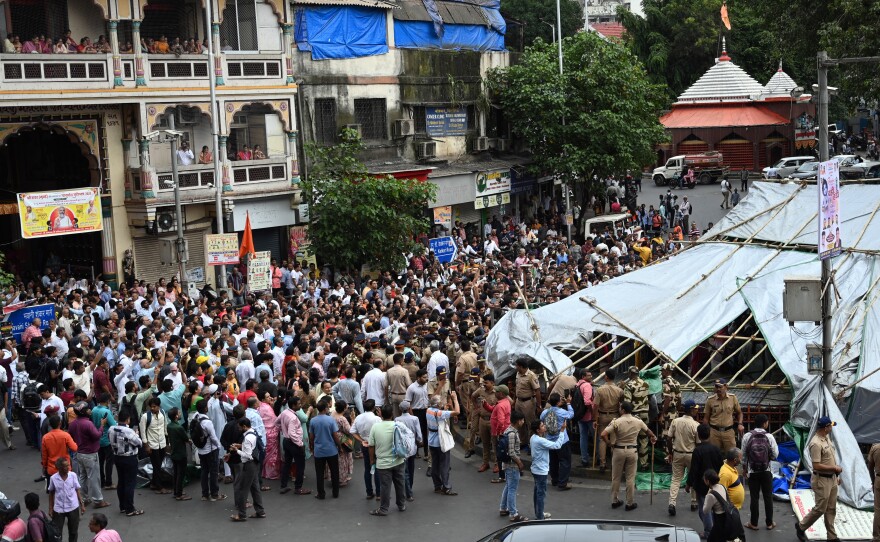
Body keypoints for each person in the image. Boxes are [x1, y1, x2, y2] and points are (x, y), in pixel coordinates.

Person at [601, 401, 657, 511]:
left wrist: (609, 443)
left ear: (623, 410)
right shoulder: (638, 421)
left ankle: (615, 500)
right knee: (630, 478)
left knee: (616, 477)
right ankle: (629, 502)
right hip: (632, 450)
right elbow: (649, 432)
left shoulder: (616, 422)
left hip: (618, 450)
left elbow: (603, 434)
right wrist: (653, 438)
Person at [795, 416, 841, 542]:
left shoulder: (826, 438)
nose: (832, 428)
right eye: (830, 426)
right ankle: (801, 526)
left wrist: (836, 475)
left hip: (831, 479)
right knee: (820, 508)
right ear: (825, 428)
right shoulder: (815, 443)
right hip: (822, 480)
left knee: (831, 508)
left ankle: (832, 536)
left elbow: (831, 458)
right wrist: (834, 468)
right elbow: (816, 465)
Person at [68, 402, 109, 508]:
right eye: (88, 409)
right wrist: (101, 426)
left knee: (83, 477)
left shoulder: (73, 424)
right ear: (83, 411)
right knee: (94, 478)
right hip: (90, 454)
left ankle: (84, 498)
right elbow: (97, 436)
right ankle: (98, 500)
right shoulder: (88, 424)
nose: (90, 410)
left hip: (79, 453)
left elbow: (71, 436)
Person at [368, 404, 406, 516]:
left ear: (380, 414)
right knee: (400, 484)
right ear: (392, 414)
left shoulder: (375, 427)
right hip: (398, 460)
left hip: (383, 463)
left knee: (385, 487)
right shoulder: (397, 425)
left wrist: (372, 460)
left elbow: (371, 446)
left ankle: (384, 509)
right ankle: (401, 505)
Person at [687, 424, 724, 539]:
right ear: (710, 434)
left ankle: (709, 532)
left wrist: (688, 484)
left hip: (701, 485)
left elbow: (694, 470)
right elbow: (721, 466)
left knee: (704, 509)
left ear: (698, 435)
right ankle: (715, 529)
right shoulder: (716, 449)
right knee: (715, 508)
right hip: (714, 483)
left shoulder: (697, 451)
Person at [742, 414, 778, 530]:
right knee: (768, 497)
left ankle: (754, 523)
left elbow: (743, 455)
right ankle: (769, 523)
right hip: (766, 470)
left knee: (754, 497)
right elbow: (775, 455)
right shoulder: (769, 437)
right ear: (764, 423)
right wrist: (768, 458)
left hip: (752, 471)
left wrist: (745, 469)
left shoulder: (747, 436)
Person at [665, 399, 699, 516]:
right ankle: (694, 502)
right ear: (691, 409)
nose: (696, 410)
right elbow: (698, 443)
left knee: (676, 479)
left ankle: (672, 503)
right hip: (691, 454)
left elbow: (669, 438)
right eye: (695, 408)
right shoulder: (695, 425)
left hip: (677, 453)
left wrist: (670, 452)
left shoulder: (675, 421)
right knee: (693, 477)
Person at [529, 419, 567, 520]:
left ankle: (539, 513)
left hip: (535, 469)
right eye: (542, 426)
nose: (544, 426)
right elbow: (557, 445)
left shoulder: (533, 438)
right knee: (541, 494)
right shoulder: (540, 440)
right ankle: (540, 517)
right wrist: (562, 431)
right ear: (538, 430)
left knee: (537, 492)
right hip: (541, 471)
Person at [229, 417, 266, 521]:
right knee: (255, 488)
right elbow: (250, 447)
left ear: (244, 426)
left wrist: (236, 450)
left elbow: (247, 455)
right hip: (255, 464)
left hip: (248, 464)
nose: (239, 429)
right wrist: (240, 446)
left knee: (242, 489)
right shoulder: (253, 432)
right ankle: (260, 511)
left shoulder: (247, 438)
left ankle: (241, 514)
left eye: (240, 427)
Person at [108, 410, 143, 516]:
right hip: (129, 458)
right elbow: (139, 443)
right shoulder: (128, 431)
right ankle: (130, 509)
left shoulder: (111, 429)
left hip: (117, 457)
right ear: (128, 419)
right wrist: (136, 435)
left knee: (121, 481)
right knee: (130, 483)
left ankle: (122, 506)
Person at [426, 392, 460, 496]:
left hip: (431, 441)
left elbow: (438, 412)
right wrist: (455, 399)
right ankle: (446, 487)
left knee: (435, 465)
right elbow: (457, 412)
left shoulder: (428, 410)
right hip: (441, 442)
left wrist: (443, 408)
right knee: (444, 465)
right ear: (438, 405)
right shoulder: (440, 414)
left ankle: (437, 486)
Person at [540, 392, 574, 491]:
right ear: (559, 402)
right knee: (565, 461)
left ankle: (555, 480)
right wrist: (568, 403)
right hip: (562, 440)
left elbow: (541, 419)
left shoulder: (545, 412)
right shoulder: (562, 412)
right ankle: (563, 483)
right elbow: (571, 414)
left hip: (549, 440)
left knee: (553, 461)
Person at [309, 399, 341, 500]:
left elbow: (311, 437)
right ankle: (335, 492)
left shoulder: (313, 420)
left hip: (319, 451)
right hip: (331, 450)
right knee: (334, 472)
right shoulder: (331, 420)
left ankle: (321, 493)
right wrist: (339, 446)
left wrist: (312, 447)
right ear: (325, 409)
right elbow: (335, 435)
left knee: (319, 473)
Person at [278, 395, 310, 495]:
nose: (300, 405)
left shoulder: (284, 412)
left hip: (286, 441)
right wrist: (300, 444)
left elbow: (276, 422)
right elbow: (292, 433)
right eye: (299, 404)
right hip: (294, 443)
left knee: (287, 463)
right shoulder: (293, 418)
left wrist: (283, 430)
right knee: (300, 465)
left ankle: (284, 486)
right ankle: (298, 488)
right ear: (293, 405)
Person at [48, 457, 85, 542]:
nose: (68, 467)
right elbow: (51, 493)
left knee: (73, 532)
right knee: (57, 533)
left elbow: (77, 490)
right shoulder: (53, 478)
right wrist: (50, 509)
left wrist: (82, 504)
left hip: (73, 507)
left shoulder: (73, 476)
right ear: (59, 468)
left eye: (68, 465)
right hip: (59, 509)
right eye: (65, 466)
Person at [593, 369, 623, 472]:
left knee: (602, 439)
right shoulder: (619, 390)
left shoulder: (600, 389)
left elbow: (595, 405)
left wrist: (594, 418)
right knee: (614, 439)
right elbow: (621, 405)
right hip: (615, 416)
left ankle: (602, 463)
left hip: (603, 416)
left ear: (606, 377)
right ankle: (614, 463)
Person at [703, 378, 743, 454]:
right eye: (716, 387)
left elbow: (739, 413)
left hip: (728, 432)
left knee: (732, 455)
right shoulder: (710, 400)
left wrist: (740, 424)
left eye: (720, 387)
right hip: (714, 432)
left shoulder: (733, 398)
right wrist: (705, 433)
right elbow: (706, 418)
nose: (718, 389)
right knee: (713, 455)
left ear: (726, 387)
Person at [499, 411, 526, 522]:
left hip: (508, 465)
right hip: (512, 465)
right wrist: (519, 462)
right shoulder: (512, 434)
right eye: (522, 420)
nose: (523, 422)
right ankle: (513, 513)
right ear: (518, 421)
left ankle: (503, 507)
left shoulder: (509, 431)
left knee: (508, 486)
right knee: (512, 489)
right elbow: (511, 452)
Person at [622, 366, 650, 469]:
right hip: (645, 414)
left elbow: (627, 403)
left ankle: (630, 462)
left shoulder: (629, 385)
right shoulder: (646, 383)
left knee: (630, 438)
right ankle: (644, 463)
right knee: (643, 438)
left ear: (630, 373)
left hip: (634, 415)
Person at [139, 398, 169, 493]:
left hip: (162, 443)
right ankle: (159, 487)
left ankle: (154, 483)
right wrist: (146, 445)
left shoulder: (163, 413)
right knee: (156, 465)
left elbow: (165, 427)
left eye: (154, 406)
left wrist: (167, 443)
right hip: (152, 445)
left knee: (158, 464)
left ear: (159, 406)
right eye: (151, 406)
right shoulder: (145, 417)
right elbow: (142, 432)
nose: (152, 408)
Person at [395, 400, 421, 501]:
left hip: (402, 447)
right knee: (411, 469)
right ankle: (409, 490)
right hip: (412, 447)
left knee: (404, 470)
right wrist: (419, 440)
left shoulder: (397, 419)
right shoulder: (415, 419)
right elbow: (418, 434)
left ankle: (408, 489)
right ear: (409, 408)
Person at [513, 358, 540, 449]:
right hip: (518, 401)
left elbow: (537, 390)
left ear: (521, 366)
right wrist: (514, 400)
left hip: (528, 402)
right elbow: (517, 387)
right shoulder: (518, 374)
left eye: (517, 365)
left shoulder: (531, 376)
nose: (516, 367)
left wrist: (539, 405)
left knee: (530, 423)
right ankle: (523, 441)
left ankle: (531, 444)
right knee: (519, 423)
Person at [166, 407, 191, 501]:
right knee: (181, 474)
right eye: (179, 413)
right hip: (181, 453)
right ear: (176, 416)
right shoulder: (179, 427)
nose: (180, 414)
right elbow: (186, 438)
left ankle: (176, 491)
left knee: (176, 473)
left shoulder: (169, 426)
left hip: (174, 452)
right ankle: (179, 494)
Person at [702, 469, 729, 542]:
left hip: (719, 519)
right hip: (727, 516)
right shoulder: (722, 486)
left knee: (712, 539)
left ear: (707, 481)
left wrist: (708, 494)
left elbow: (705, 510)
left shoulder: (710, 495)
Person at [867, 438, 880, 542]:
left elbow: (870, 467)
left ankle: (877, 537)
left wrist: (873, 481)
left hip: (879, 480)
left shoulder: (875, 448)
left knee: (878, 510)